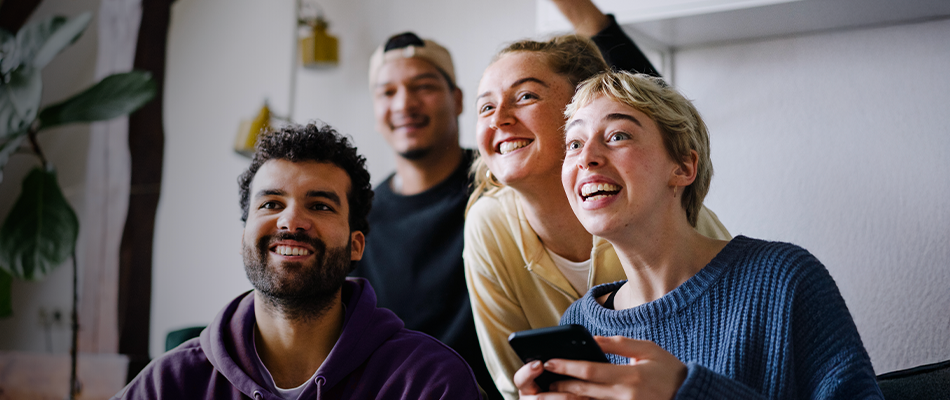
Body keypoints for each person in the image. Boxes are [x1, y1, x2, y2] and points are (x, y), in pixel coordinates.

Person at [512, 71, 882, 399]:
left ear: (683, 167)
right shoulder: (580, 325)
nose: (586, 157)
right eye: (574, 144)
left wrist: (686, 391)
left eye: (618, 135)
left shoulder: (784, 279)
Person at [357, 1, 663, 397]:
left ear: (456, 100)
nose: (404, 104)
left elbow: (652, 116)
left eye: (424, 86)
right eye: (388, 92)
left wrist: (589, 19)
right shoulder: (363, 214)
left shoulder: (510, 171)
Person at [464, 19, 735, 400]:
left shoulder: (676, 218)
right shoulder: (488, 225)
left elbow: (735, 356)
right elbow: (514, 385)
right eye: (486, 107)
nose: (499, 118)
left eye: (525, 96)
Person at [112, 124, 482, 399]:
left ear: (356, 245)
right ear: (244, 238)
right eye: (271, 204)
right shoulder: (170, 384)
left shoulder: (426, 381)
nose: (291, 222)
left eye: (320, 206)